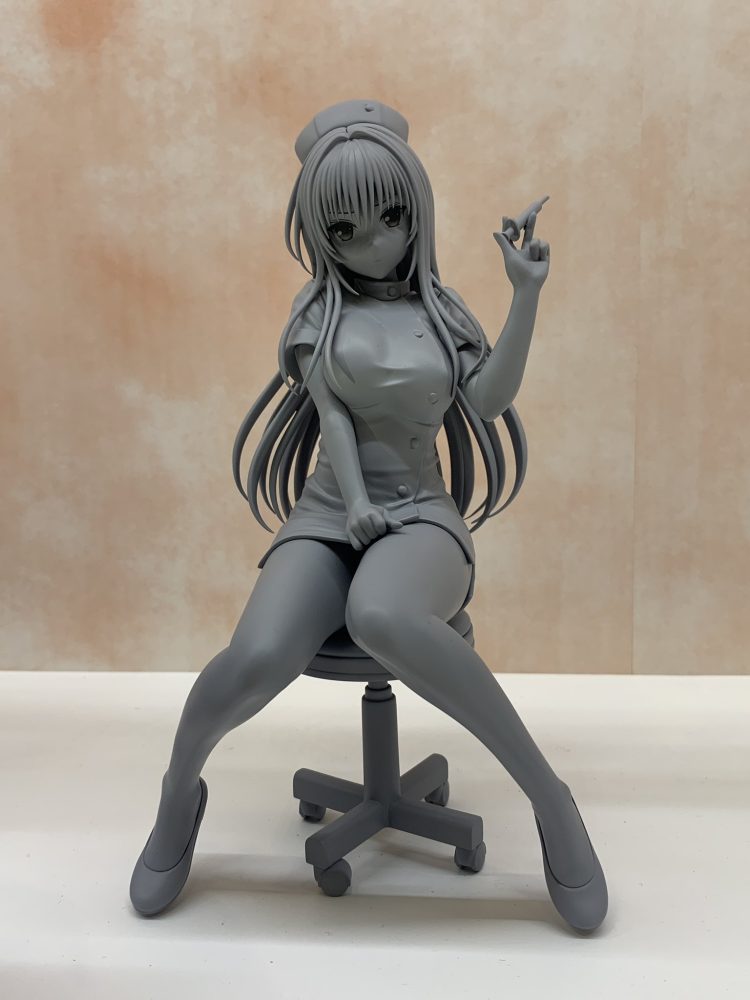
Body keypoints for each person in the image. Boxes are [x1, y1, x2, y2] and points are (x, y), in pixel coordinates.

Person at [129, 99, 608, 932]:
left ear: (417, 210)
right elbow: (334, 420)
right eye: (345, 229)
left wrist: (525, 297)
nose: (375, 242)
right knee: (257, 654)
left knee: (379, 612)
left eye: (391, 217)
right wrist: (350, 503)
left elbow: (487, 401)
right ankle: (178, 792)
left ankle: (549, 796)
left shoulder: (442, 313)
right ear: (321, 235)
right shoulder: (318, 314)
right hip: (328, 512)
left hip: (420, 513)